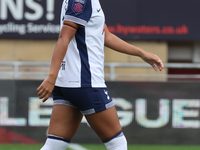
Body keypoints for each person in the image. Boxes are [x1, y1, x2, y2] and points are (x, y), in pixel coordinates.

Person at [36, 0, 164, 149]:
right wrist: (51, 77)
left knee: (55, 144)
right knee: (117, 143)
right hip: (85, 83)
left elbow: (106, 35)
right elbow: (64, 37)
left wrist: (142, 53)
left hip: (68, 83)